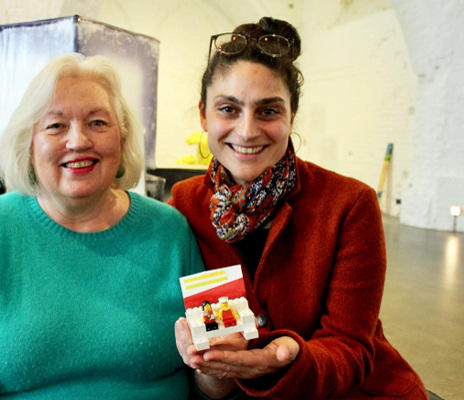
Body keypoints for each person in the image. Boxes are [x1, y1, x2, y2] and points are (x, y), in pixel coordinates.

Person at [170, 17, 427, 400]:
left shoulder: (350, 203)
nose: (246, 131)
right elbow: (207, 358)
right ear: (204, 115)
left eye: (268, 111)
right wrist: (211, 365)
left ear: (292, 117)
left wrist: (288, 357)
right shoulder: (185, 205)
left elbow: (352, 348)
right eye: (228, 109)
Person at [0, 53, 204, 399]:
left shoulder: (171, 230)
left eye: (98, 123)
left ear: (123, 137)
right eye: (55, 125)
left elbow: (210, 382)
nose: (78, 141)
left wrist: (220, 370)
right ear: (29, 145)